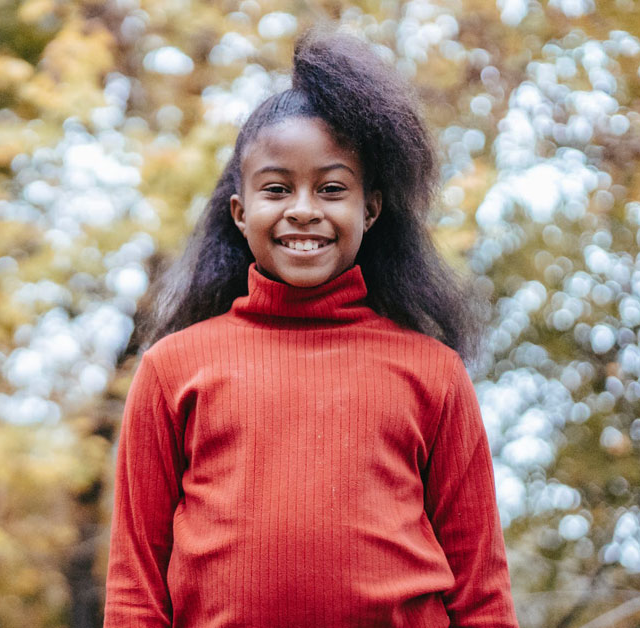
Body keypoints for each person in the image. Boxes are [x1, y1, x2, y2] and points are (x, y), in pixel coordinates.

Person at [103, 29, 518, 627]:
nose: (303, 208)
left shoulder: (434, 372)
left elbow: (482, 594)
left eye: (331, 188)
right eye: (277, 188)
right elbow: (135, 591)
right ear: (241, 212)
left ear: (369, 210)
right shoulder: (172, 369)